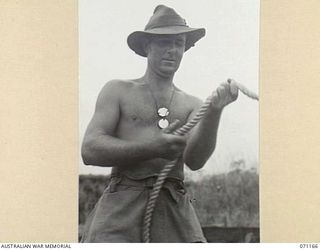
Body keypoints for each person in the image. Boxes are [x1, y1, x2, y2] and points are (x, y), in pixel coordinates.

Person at [80, 5, 238, 243]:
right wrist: (153, 147)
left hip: (174, 204)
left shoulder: (193, 104)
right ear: (147, 46)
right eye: (165, 42)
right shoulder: (118, 90)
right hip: (121, 203)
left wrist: (215, 111)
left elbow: (195, 161)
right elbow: (90, 150)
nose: (172, 51)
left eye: (179, 43)